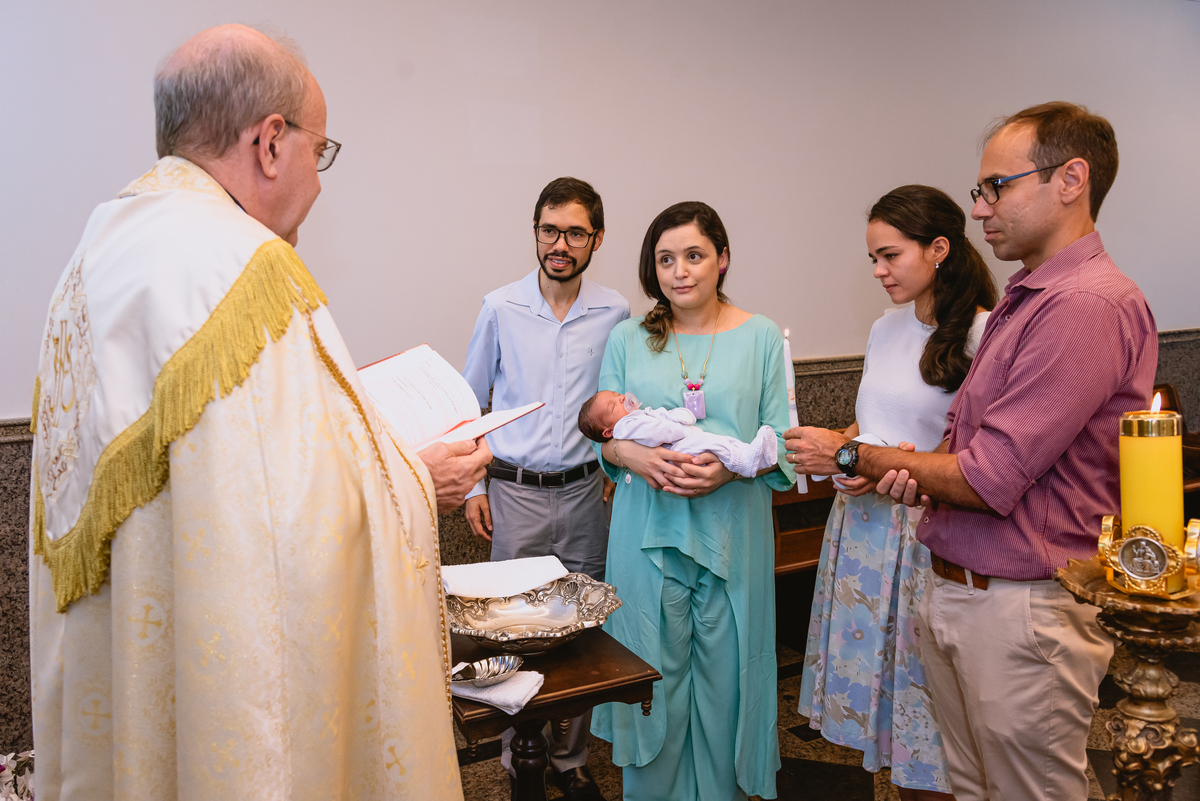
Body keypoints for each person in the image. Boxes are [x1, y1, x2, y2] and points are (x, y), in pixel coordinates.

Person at [28, 25, 490, 800]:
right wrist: (418, 477)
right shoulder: (241, 268)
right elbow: (288, 534)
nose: (319, 173)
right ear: (271, 141)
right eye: (322, 147)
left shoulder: (99, 251)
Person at [786, 102, 1157, 801]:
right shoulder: (1028, 298)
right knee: (967, 784)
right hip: (958, 581)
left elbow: (990, 476)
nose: (981, 207)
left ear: (1070, 179)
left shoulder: (1084, 305)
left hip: (1023, 603)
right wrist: (903, 471)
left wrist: (852, 456)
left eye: (997, 186)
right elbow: (964, 449)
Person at [796, 185, 996, 800]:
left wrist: (879, 462)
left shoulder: (984, 334)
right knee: (884, 711)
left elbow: (979, 455)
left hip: (924, 534)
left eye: (890, 256)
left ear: (939, 249)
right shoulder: (885, 328)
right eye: (872, 260)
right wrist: (842, 447)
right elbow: (873, 422)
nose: (879, 272)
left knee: (926, 712)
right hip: (862, 532)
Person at [591, 201, 794, 801]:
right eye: (665, 260)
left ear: (722, 259)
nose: (679, 271)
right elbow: (605, 433)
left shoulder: (760, 335)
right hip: (648, 528)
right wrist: (633, 456)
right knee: (652, 675)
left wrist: (728, 474)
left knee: (726, 677)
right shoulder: (628, 338)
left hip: (732, 527)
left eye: (694, 256)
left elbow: (780, 436)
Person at [460, 177, 629, 800]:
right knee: (516, 629)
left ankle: (570, 759)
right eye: (549, 230)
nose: (560, 244)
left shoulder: (614, 313)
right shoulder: (500, 307)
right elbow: (469, 402)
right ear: (536, 232)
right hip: (515, 492)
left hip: (587, 492)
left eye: (575, 233)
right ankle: (516, 760)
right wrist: (474, 485)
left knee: (580, 628)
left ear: (596, 239)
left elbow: (620, 405)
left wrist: (618, 470)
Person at [577, 389, 777, 478]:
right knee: (713, 442)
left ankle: (753, 453)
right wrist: (679, 427)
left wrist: (677, 416)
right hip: (675, 451)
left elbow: (661, 417)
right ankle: (746, 463)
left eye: (616, 394)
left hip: (680, 444)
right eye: (613, 406)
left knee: (720, 441)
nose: (621, 398)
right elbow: (657, 433)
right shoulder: (625, 427)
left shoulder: (636, 417)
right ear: (608, 432)